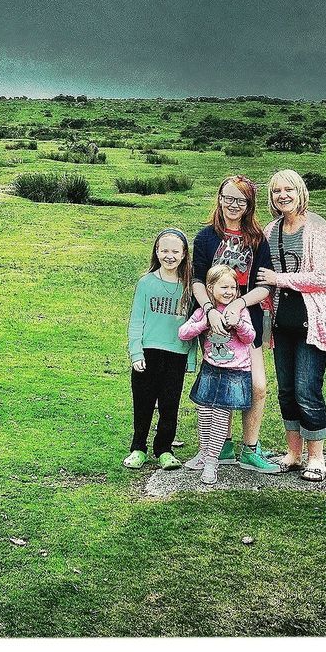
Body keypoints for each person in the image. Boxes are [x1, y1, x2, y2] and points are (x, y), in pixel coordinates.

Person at [188, 175, 280, 473]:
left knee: (257, 386)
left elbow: (265, 286)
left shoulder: (256, 239)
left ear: (249, 204)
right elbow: (198, 279)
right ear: (219, 198)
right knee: (219, 385)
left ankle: (250, 449)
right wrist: (210, 311)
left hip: (247, 323)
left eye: (240, 200)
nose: (233, 205)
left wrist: (239, 303)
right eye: (228, 198)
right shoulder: (205, 238)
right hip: (213, 326)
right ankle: (222, 445)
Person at [255, 168, 326, 482]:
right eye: (277, 191)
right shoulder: (270, 230)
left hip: (313, 322)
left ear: (300, 191)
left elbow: (323, 278)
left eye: (288, 189)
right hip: (281, 323)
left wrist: (282, 279)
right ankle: (293, 453)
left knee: (307, 389)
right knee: (287, 391)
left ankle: (316, 458)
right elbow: (262, 276)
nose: (283, 196)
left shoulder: (316, 227)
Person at [178, 266, 259, 484]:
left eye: (233, 287)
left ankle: (213, 461)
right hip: (210, 369)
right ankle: (203, 453)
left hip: (234, 373)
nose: (229, 291)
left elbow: (250, 337)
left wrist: (239, 324)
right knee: (204, 412)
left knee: (221, 416)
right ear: (211, 288)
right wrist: (205, 322)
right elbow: (183, 332)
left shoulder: (240, 312)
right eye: (224, 287)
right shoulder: (206, 311)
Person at [124, 229, 196, 470]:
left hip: (177, 354)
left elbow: (195, 324)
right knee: (143, 403)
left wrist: (191, 358)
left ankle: (164, 449)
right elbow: (136, 321)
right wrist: (136, 352)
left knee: (169, 404)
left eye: (175, 251)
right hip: (148, 353)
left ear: (184, 254)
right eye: (164, 250)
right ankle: (138, 448)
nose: (169, 256)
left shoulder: (189, 287)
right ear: (156, 252)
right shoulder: (146, 283)